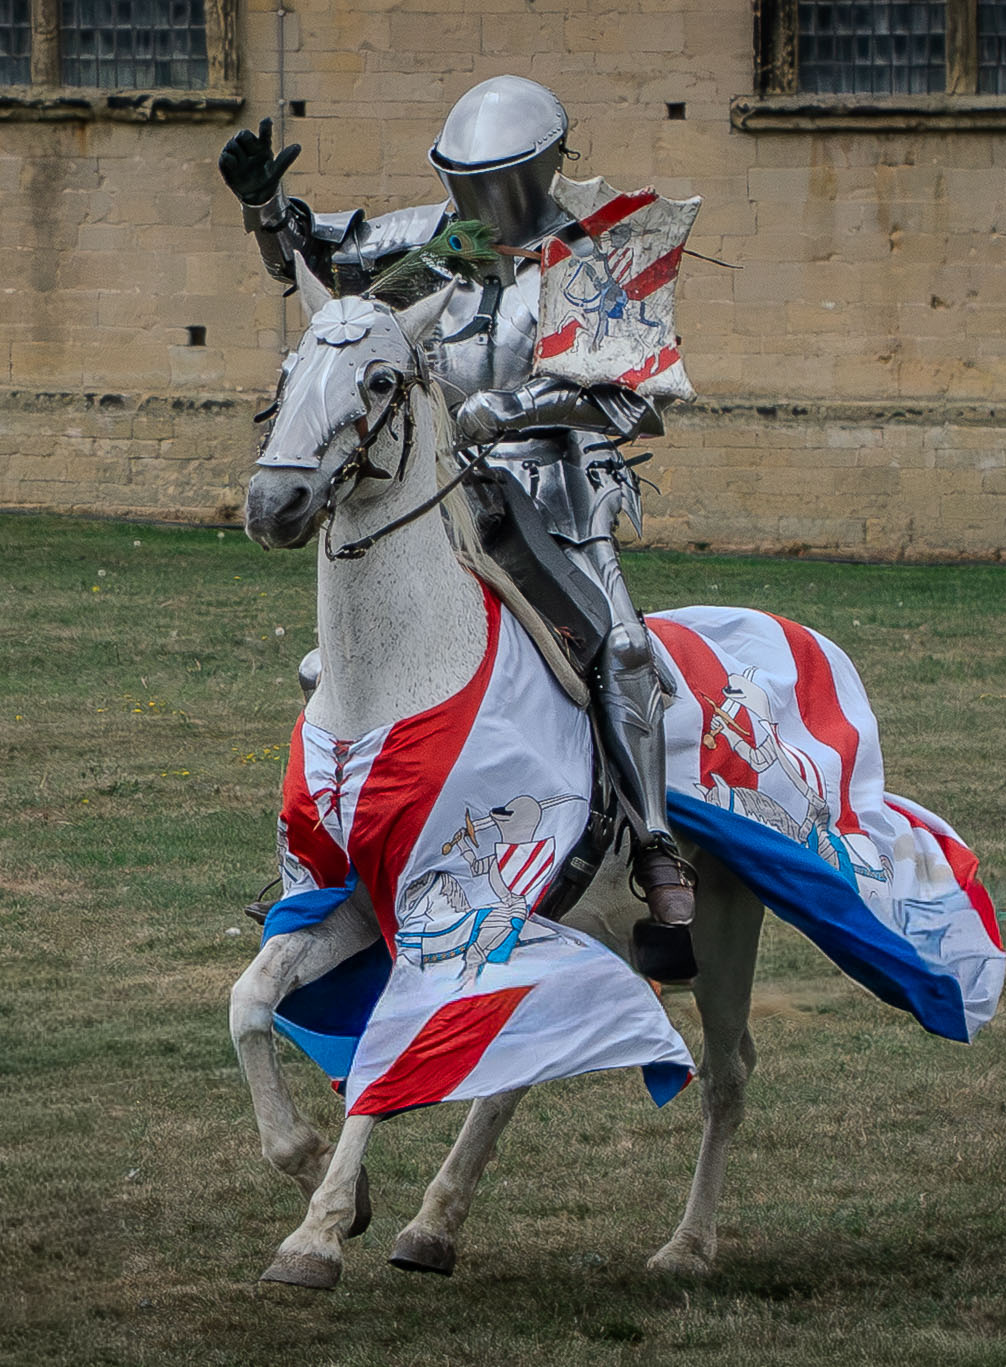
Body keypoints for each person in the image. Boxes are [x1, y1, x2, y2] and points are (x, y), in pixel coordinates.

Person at [219, 76, 695, 930]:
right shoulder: (430, 244)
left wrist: (507, 409)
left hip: (556, 492)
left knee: (623, 647)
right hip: (434, 493)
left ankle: (654, 841)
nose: (480, 196)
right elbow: (314, 265)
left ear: (544, 165)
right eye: (464, 177)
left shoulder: (603, 254)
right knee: (335, 661)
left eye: (498, 176)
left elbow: (632, 397)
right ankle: (332, 848)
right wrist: (265, 207)